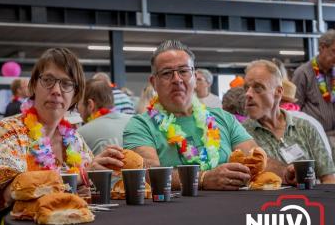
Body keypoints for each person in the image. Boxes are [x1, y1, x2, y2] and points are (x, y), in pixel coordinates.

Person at [0, 48, 124, 225]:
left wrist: (98, 176)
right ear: (33, 85)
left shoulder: (74, 138)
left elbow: (83, 189)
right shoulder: (8, 132)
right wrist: (80, 179)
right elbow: (12, 193)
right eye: (48, 80)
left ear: (75, 95)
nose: (56, 90)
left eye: (66, 83)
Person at [123, 40, 292, 190]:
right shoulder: (141, 125)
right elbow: (147, 174)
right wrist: (203, 178)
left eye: (183, 71)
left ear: (195, 77)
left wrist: (287, 173)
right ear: (154, 82)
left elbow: (258, 160)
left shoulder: (223, 118)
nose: (177, 79)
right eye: (167, 73)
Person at [242, 59, 335, 183]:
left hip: (309, 201)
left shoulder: (305, 127)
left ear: (278, 92)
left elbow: (328, 177)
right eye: (246, 88)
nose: (248, 94)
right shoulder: (241, 134)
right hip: (266, 202)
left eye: (258, 88)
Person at [291, 29, 335, 162]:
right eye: (334, 51)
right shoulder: (303, 73)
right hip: (315, 139)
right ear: (322, 48)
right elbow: (294, 110)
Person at [78, 78, 132, 155]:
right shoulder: (134, 121)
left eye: (78, 104)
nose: (78, 110)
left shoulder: (80, 134)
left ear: (90, 105)